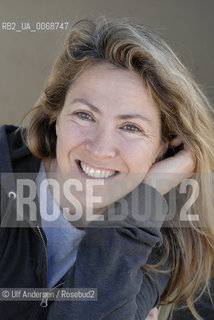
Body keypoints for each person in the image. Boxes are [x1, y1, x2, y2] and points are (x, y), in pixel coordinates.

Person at [0, 16, 213, 320]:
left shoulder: (159, 243)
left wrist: (146, 196)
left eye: (130, 127)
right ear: (56, 116)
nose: (100, 148)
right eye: (85, 115)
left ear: (165, 146)